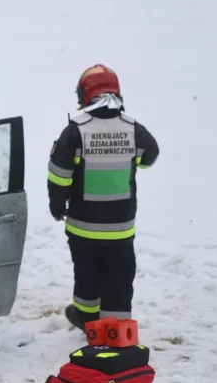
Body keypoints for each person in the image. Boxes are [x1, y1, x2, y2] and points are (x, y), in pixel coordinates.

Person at [47, 64, 160, 330]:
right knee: (119, 278)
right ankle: (116, 330)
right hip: (120, 228)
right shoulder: (133, 128)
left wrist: (56, 205)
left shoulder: (75, 130)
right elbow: (150, 156)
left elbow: (59, 175)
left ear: (85, 94)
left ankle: (87, 319)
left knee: (87, 275)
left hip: (83, 227)